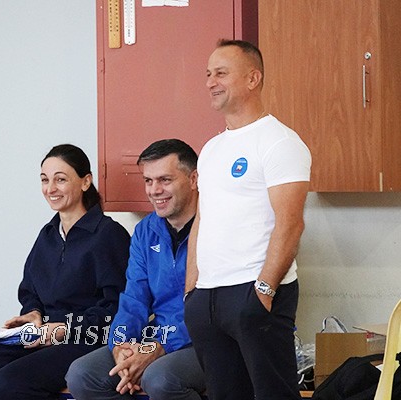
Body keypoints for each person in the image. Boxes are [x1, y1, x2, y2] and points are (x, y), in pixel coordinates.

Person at [184, 39, 312, 400]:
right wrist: (192, 289)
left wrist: (265, 291)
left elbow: (291, 224)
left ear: (253, 79)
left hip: (255, 292)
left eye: (221, 73)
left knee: (273, 394)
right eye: (208, 74)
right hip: (207, 297)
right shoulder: (211, 149)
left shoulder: (280, 142)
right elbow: (201, 220)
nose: (211, 82)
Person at [0, 144, 130, 400]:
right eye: (45, 180)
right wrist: (33, 313)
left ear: (85, 181)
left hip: (87, 337)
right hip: (44, 335)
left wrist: (65, 328)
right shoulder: (48, 235)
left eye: (60, 179)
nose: (50, 189)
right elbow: (30, 290)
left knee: (11, 381)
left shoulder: (108, 235)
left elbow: (117, 307)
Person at [66, 139, 206, 400]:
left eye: (165, 180)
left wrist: (160, 347)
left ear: (193, 179)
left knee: (160, 379)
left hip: (203, 339)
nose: (154, 190)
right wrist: (121, 345)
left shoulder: (216, 226)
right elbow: (133, 298)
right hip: (156, 336)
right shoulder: (145, 231)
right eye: (148, 181)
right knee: (82, 374)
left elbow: (209, 307)